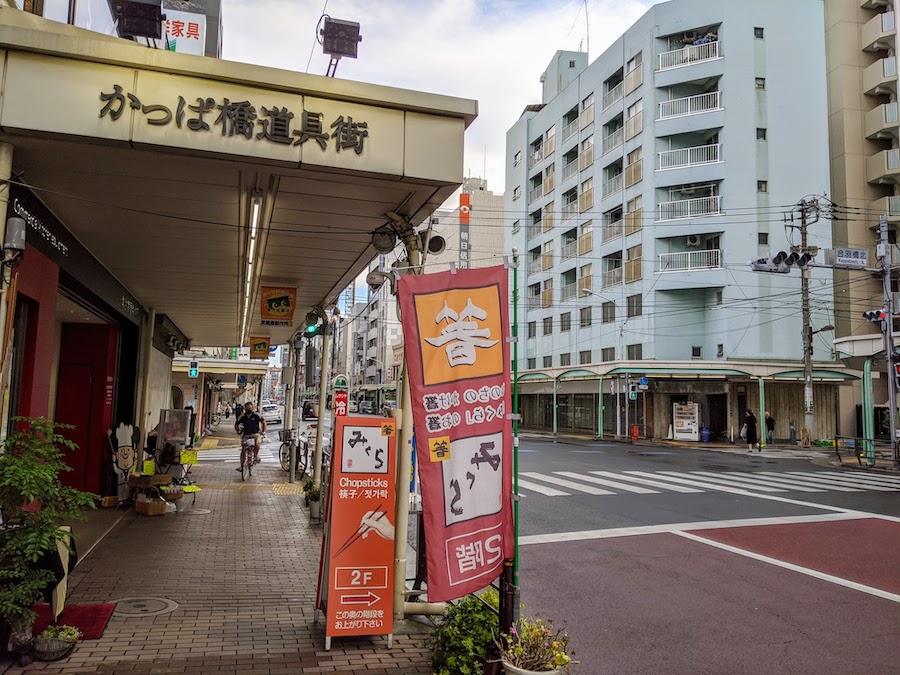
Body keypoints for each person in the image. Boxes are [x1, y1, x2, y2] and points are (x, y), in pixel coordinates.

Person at [234, 402, 266, 466]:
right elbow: (236, 424)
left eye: (250, 408)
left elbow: (264, 422)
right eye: (247, 408)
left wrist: (263, 431)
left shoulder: (256, 415)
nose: (249, 410)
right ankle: (242, 465)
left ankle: (256, 455)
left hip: (256, 433)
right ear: (245, 408)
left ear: (252, 408)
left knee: (257, 442)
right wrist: (238, 430)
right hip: (246, 434)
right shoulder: (242, 416)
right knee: (243, 449)